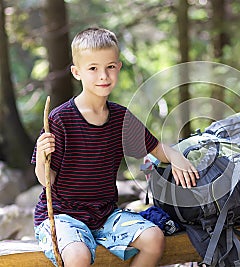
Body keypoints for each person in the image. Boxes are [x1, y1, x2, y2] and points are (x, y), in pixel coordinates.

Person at [32, 27, 199, 267]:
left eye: (110, 66)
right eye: (93, 69)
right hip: (62, 216)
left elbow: (156, 147)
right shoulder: (60, 120)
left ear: (118, 67)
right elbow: (46, 180)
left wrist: (176, 157)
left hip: (105, 215)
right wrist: (41, 157)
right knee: (78, 256)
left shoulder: (121, 118)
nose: (103, 76)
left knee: (154, 238)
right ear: (76, 72)